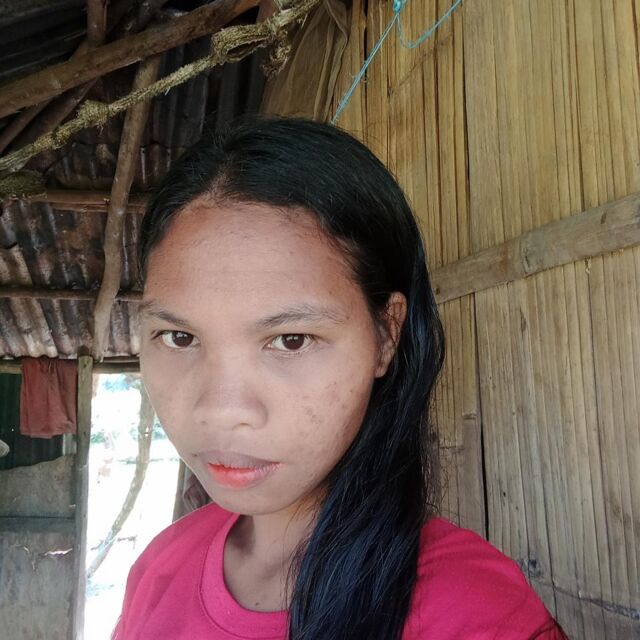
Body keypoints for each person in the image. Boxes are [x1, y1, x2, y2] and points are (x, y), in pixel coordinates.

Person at [113, 116, 568, 639]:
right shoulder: (159, 568)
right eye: (179, 337)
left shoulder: (475, 614)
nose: (220, 410)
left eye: (291, 340)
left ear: (386, 335)